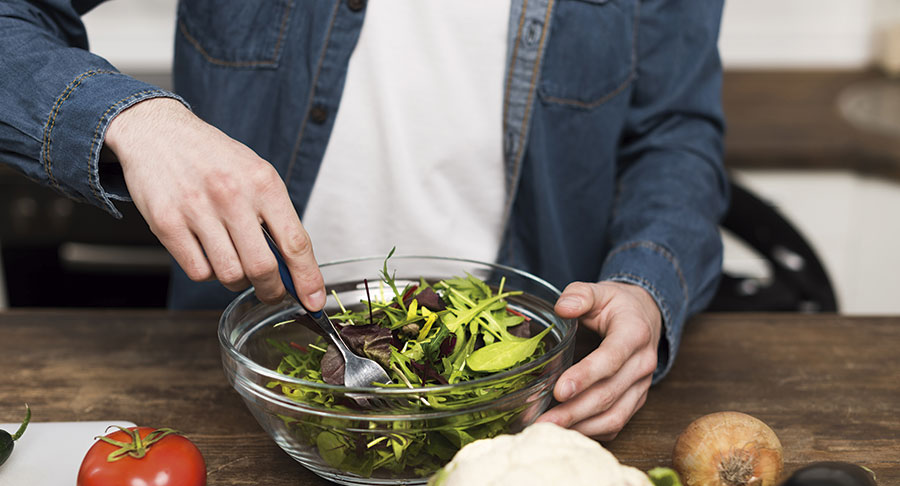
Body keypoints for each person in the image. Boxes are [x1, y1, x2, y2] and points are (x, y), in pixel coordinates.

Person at [0, 0, 728, 440]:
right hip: (244, 399)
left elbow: (675, 136)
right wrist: (137, 121)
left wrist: (644, 286)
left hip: (525, 401)